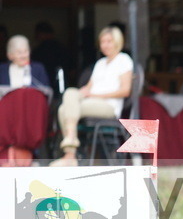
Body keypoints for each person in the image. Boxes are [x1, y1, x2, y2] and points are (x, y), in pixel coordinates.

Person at [52, 26, 133, 166]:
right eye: (102, 42)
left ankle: (70, 153)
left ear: (117, 42)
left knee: (66, 108)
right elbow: (87, 88)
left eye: (109, 41)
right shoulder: (100, 63)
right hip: (91, 102)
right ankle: (71, 147)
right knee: (68, 98)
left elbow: (125, 91)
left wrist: (94, 94)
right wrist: (78, 93)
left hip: (109, 106)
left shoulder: (123, 60)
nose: (105, 45)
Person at [32, 21, 74, 92]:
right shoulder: (62, 48)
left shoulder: (38, 51)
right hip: (61, 85)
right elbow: (72, 70)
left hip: (45, 86)